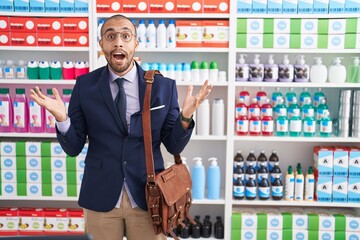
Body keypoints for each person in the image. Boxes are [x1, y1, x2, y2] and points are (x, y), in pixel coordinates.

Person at [30, 14, 212, 240]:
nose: (118, 42)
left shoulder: (163, 87)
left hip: (149, 196)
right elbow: (74, 148)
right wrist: (62, 119)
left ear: (135, 43)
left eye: (125, 36)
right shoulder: (85, 86)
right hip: (100, 194)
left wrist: (185, 116)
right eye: (110, 36)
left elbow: (173, 144)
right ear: (101, 45)